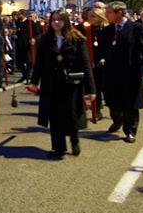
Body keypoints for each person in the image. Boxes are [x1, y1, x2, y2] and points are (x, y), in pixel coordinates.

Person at [28, 10, 96, 158]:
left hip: (71, 83)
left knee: (71, 114)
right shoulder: (45, 40)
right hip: (51, 83)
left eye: (59, 20)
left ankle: (74, 140)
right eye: (53, 20)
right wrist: (34, 81)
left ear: (65, 21)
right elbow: (39, 63)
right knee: (54, 116)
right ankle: (58, 147)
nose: (56, 23)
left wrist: (91, 89)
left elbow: (85, 64)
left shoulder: (76, 39)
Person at [99, 1, 143, 143]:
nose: (106, 15)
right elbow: (100, 50)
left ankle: (130, 129)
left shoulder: (136, 28)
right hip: (111, 72)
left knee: (130, 103)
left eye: (109, 12)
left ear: (119, 13)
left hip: (130, 71)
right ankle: (117, 120)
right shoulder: (107, 30)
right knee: (113, 102)